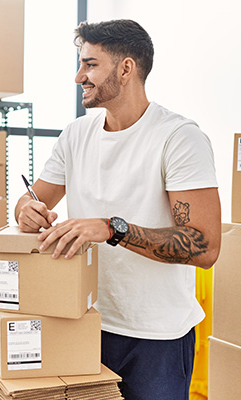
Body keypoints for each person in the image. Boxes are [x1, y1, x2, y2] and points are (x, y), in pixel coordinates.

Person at [15, 19, 221, 400]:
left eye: (90, 64)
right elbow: (33, 199)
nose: (79, 76)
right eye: (80, 64)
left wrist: (113, 228)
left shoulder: (179, 138)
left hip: (155, 337)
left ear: (126, 68)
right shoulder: (76, 135)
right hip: (84, 323)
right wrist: (27, 209)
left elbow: (204, 246)